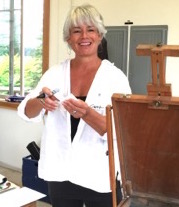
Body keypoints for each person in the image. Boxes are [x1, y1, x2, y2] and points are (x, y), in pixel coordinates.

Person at [18, 4, 131, 207]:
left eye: (90, 29)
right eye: (76, 31)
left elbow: (122, 130)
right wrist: (41, 101)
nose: (84, 36)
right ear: (68, 39)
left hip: (99, 174)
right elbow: (26, 111)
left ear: (99, 35)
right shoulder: (54, 73)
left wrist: (87, 114)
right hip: (60, 172)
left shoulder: (115, 78)